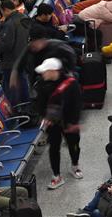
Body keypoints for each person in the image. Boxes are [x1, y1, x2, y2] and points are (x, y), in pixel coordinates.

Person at [33, 57, 82, 190]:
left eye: (45, 71)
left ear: (53, 71)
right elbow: (40, 104)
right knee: (54, 147)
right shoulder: (41, 84)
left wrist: (74, 121)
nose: (42, 74)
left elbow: (77, 103)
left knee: (74, 144)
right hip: (53, 122)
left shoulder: (71, 83)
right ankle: (56, 175)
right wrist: (44, 116)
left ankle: (75, 165)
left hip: (69, 120)